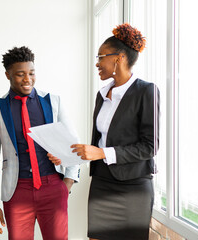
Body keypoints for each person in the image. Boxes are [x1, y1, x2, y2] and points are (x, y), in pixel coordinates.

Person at [49, 23, 160, 240]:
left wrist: (102, 153)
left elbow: (150, 146)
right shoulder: (102, 94)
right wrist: (67, 156)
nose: (97, 63)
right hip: (102, 181)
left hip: (134, 186)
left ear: (118, 58)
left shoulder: (146, 91)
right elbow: (97, 144)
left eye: (101, 57)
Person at [0, 46, 80, 240]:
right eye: (20, 74)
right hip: (17, 190)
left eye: (31, 73)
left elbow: (73, 144)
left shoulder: (53, 102)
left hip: (53, 186)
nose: (27, 79)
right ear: (7, 75)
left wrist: (67, 183)